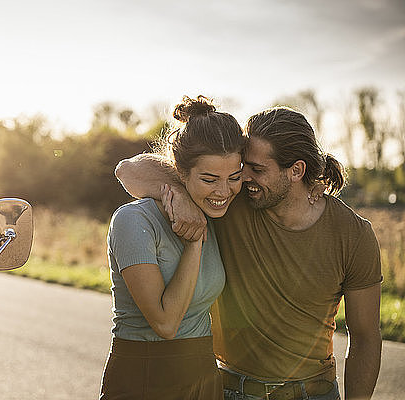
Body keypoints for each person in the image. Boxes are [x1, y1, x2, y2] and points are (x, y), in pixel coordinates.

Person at [115, 106, 382, 400]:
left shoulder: (353, 234)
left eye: (256, 170)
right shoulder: (231, 202)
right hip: (232, 390)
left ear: (296, 170)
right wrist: (181, 196)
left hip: (314, 392)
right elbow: (129, 170)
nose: (244, 179)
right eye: (243, 168)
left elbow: (366, 337)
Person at [100, 95, 247, 400]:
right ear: (180, 173)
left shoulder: (217, 213)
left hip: (203, 375)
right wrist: (194, 242)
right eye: (209, 179)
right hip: (145, 376)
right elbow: (166, 323)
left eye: (234, 177)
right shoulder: (134, 220)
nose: (223, 191)